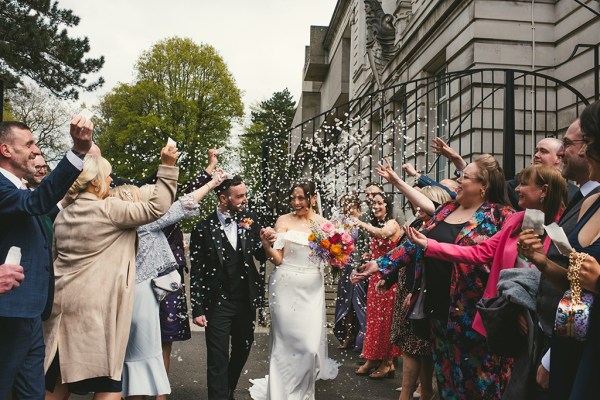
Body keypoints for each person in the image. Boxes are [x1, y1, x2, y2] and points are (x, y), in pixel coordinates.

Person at [356, 154, 514, 399]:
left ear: (484, 185)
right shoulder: (448, 209)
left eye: (464, 177)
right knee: (447, 383)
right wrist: (380, 264)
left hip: (475, 314)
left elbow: (511, 263)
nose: (458, 180)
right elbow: (416, 243)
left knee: (478, 385)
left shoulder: (501, 216)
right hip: (438, 311)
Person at [43, 147, 179, 400]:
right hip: (98, 310)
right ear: (95, 182)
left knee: (58, 377)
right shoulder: (110, 210)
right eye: (107, 176)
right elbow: (157, 208)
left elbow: (53, 258)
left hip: (62, 306)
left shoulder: (63, 216)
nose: (110, 181)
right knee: (109, 380)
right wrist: (168, 166)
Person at [0, 117, 93, 399]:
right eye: (28, 144)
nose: (35, 150)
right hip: (8, 311)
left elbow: (45, 211)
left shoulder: (21, 190)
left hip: (31, 312)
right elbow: (35, 204)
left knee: (32, 394)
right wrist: (77, 152)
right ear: (6, 150)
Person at [114, 169, 224, 400]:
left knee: (130, 355)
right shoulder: (145, 223)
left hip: (123, 292)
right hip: (143, 294)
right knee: (144, 354)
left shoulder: (116, 224)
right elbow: (185, 203)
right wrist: (212, 183)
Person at [519, 100, 600, 399]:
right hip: (571, 335)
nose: (577, 151)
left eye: (585, 142)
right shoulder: (590, 201)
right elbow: (574, 283)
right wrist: (539, 259)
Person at [248, 180, 339, 400]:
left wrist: (338, 255)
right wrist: (267, 245)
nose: (296, 202)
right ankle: (280, 395)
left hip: (311, 287)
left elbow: (332, 259)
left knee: (309, 347)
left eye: (301, 198)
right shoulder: (283, 220)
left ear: (312, 198)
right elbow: (278, 259)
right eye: (293, 198)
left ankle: (302, 394)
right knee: (284, 344)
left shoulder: (325, 225)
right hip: (285, 284)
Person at [190, 175, 274, 400]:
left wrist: (268, 240)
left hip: (245, 298)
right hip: (217, 301)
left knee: (243, 347)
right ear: (223, 198)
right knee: (217, 358)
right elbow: (196, 269)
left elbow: (260, 254)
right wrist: (197, 307)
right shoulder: (203, 227)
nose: (245, 200)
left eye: (245, 194)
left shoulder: (250, 219)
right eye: (240, 196)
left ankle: (227, 389)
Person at [353, 192, 403, 379]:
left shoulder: (392, 223)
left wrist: (361, 223)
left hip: (389, 279)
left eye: (380, 203)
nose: (376, 206)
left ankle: (387, 362)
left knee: (386, 322)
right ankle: (372, 358)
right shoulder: (379, 224)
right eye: (373, 204)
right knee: (374, 321)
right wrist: (369, 258)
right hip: (375, 278)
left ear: (387, 206)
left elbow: (383, 234)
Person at [333, 193, 363, 350]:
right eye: (343, 205)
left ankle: (359, 336)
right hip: (345, 265)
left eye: (348, 205)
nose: (346, 208)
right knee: (346, 302)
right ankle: (347, 334)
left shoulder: (362, 221)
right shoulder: (342, 222)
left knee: (356, 303)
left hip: (359, 265)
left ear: (356, 205)